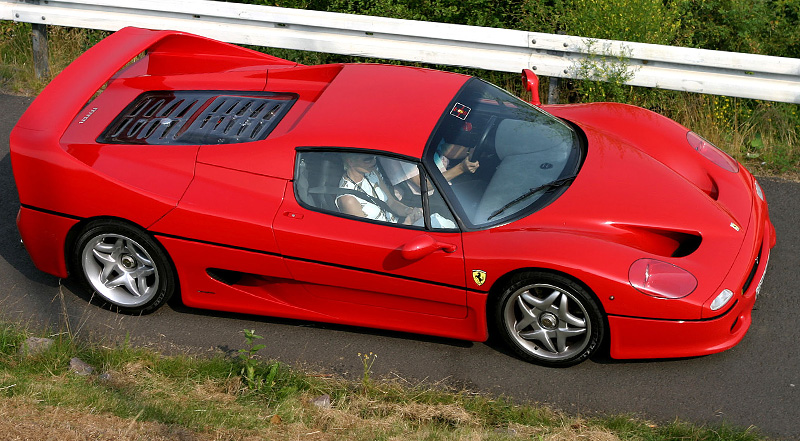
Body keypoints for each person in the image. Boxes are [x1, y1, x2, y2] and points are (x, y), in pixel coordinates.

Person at [336, 153, 423, 225]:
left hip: (397, 226)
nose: (374, 162)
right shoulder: (348, 199)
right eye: (368, 159)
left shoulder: (373, 174)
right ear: (350, 161)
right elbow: (365, 236)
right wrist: (407, 223)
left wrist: (409, 211)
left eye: (375, 157)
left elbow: (391, 203)